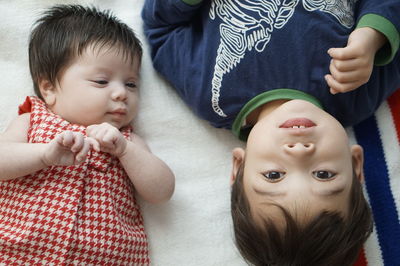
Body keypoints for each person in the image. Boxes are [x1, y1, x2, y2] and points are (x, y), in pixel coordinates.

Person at [142, 0, 400, 265]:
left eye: (274, 175)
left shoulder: (211, 94)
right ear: (356, 164)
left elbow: (161, 29)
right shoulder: (357, 94)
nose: (299, 152)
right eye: (324, 175)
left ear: (239, 166)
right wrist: (373, 35)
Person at [0, 4, 175, 265]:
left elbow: (162, 191)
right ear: (48, 88)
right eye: (102, 81)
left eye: (131, 84)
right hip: (18, 251)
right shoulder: (32, 120)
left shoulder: (126, 140)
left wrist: (126, 151)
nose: (121, 93)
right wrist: (44, 154)